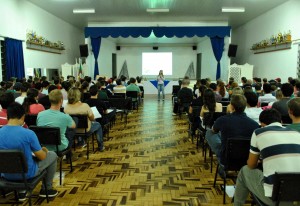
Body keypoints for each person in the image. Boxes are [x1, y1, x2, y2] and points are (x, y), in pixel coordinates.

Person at [233, 109, 300, 206]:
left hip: (276, 199)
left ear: (262, 123)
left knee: (244, 171)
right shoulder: (296, 133)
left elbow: (251, 165)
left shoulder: (259, 132)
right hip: (297, 197)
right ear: (280, 122)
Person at [0, 102, 58, 200]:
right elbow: (42, 157)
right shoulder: (28, 134)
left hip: (5, 175)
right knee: (52, 155)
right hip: (27, 173)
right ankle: (46, 189)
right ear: (23, 117)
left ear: (7, 116)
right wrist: (43, 150)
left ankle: (21, 191)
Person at [205, 94, 259, 165]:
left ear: (232, 106)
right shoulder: (255, 124)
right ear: (245, 106)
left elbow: (213, 131)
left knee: (209, 132)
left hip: (226, 158)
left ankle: (221, 163)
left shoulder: (222, 120)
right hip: (246, 158)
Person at [37, 89, 76, 157]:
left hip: (44, 146)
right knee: (70, 130)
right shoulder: (65, 117)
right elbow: (73, 126)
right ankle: (69, 154)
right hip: (60, 147)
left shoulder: (40, 114)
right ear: (61, 101)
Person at [64, 87, 105, 151]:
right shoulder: (84, 106)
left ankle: (80, 142)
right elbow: (92, 118)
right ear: (79, 95)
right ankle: (101, 146)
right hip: (86, 130)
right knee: (98, 125)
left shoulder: (66, 107)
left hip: (72, 130)